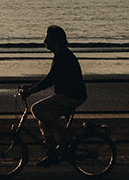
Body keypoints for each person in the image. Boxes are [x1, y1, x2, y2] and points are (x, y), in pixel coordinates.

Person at [22, 25, 87, 167]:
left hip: (71, 96)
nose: (44, 41)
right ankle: (51, 155)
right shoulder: (62, 55)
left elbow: (49, 81)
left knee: (37, 109)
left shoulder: (62, 57)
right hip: (72, 95)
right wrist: (30, 87)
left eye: (47, 38)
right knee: (44, 120)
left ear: (54, 40)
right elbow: (49, 79)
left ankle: (65, 132)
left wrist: (30, 91)